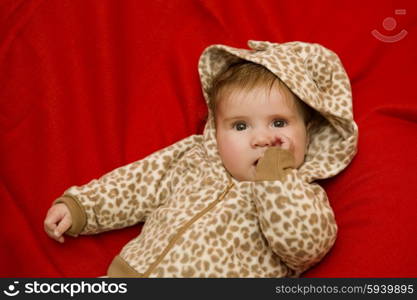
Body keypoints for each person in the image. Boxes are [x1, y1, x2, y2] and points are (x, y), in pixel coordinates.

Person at [44, 40, 358, 277]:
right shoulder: (195, 158)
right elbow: (137, 183)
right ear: (215, 131)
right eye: (240, 125)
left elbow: (304, 246)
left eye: (279, 123)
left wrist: (275, 176)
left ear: (308, 132)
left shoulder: (304, 195)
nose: (262, 138)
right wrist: (82, 207)